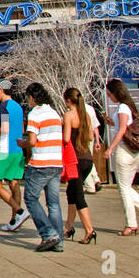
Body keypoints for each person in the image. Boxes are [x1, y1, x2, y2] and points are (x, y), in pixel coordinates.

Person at [106, 79, 139, 236]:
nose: (109, 97)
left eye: (109, 94)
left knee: (124, 190)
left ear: (116, 93)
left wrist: (110, 149)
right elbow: (127, 128)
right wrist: (112, 123)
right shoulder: (129, 107)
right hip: (134, 152)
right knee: (127, 187)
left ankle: (131, 224)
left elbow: (122, 131)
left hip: (123, 151)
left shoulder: (122, 108)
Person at [21, 83, 64, 252]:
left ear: (32, 97)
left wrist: (23, 143)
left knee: (31, 198)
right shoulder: (54, 113)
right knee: (53, 203)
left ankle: (48, 234)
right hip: (56, 162)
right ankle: (59, 241)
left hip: (40, 163)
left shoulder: (35, 114)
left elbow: (32, 141)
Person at [0, 79, 29, 232]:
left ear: (1, 90)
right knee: (14, 183)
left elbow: (4, 129)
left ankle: (20, 212)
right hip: (17, 149)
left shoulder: (3, 106)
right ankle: (14, 221)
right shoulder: (18, 107)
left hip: (5, 149)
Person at [61, 88, 96, 244]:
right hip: (87, 158)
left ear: (68, 100)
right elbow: (90, 137)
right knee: (72, 192)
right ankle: (68, 226)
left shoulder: (69, 116)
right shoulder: (86, 116)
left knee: (78, 196)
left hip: (74, 159)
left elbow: (67, 138)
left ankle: (89, 230)